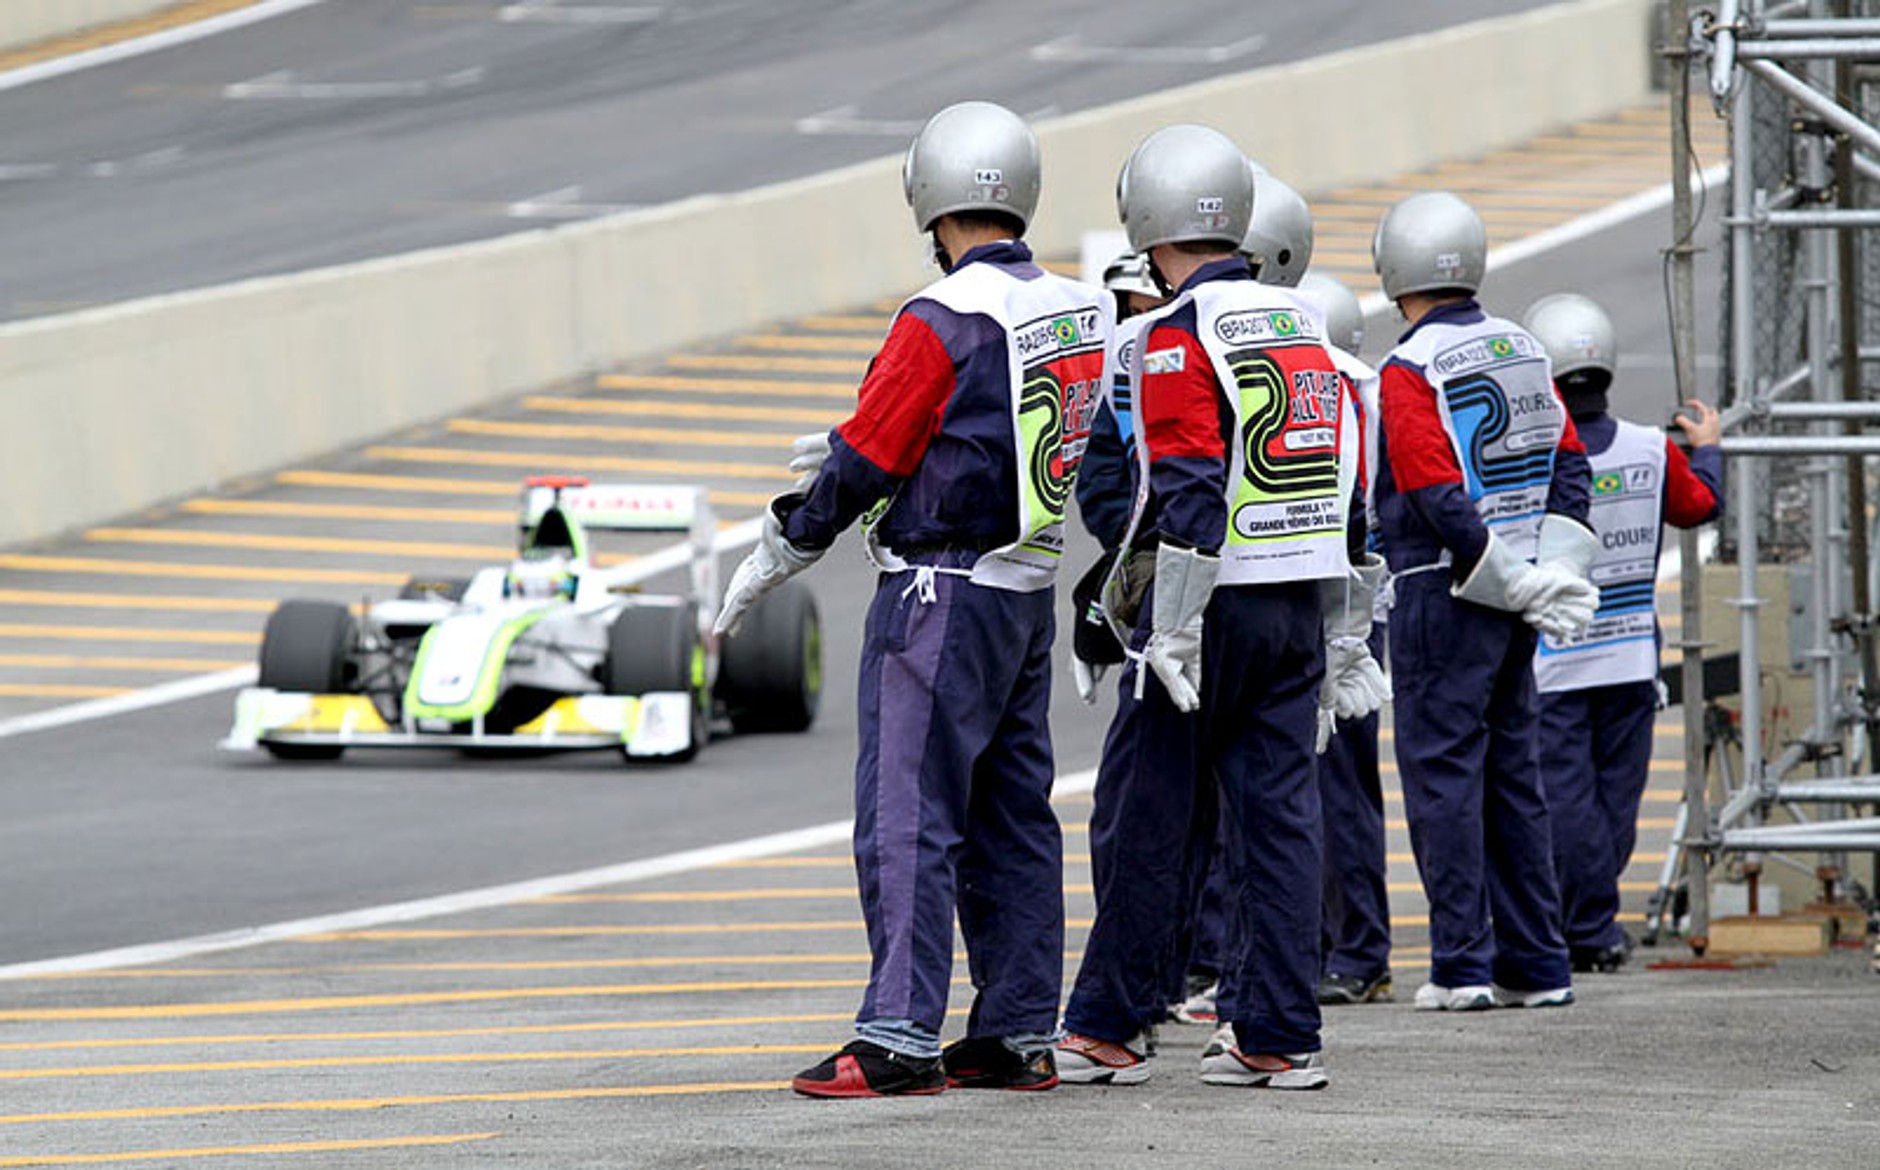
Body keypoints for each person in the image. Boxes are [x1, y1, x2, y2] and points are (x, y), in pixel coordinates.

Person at [713, 100, 1112, 1097]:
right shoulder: (1077, 310)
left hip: (937, 595)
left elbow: (872, 449)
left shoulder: (941, 316)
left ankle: (895, 1032)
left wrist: (787, 535)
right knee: (1015, 818)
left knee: (907, 812)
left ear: (930, 202)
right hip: (1024, 587)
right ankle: (1018, 1030)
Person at [1054, 124, 1380, 1091]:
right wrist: (1348, 631)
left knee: (1149, 817)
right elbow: (1350, 484)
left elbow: (1187, 485)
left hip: (1211, 607)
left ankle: (1110, 1023)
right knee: (1281, 820)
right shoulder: (1306, 331)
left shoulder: (1169, 334)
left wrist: (1170, 627)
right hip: (1298, 604)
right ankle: (1278, 1035)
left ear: (1151, 225)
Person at [1370, 191, 1598, 1013]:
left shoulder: (1410, 367)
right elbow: (1572, 468)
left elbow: (1430, 487)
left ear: (1394, 268)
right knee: (1514, 775)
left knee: (1442, 779)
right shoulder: (1527, 349)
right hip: (1521, 593)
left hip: (1443, 585)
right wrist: (1548, 572)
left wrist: (1495, 566)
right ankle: (1539, 966)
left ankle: (1462, 964)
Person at [1523, 292, 1723, 973]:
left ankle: (1584, 923)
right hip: (1632, 654)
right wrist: (1710, 451)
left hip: (1560, 657)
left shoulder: (1540, 457)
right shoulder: (1648, 448)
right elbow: (1701, 506)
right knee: (1616, 798)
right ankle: (1593, 919)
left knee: (1566, 799)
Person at [1295, 270, 1395, 1006]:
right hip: (1346, 608)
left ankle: (1357, 948)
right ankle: (1335, 944)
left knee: (1336, 785)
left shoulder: (1346, 397)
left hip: (1342, 616)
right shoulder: (1372, 392)